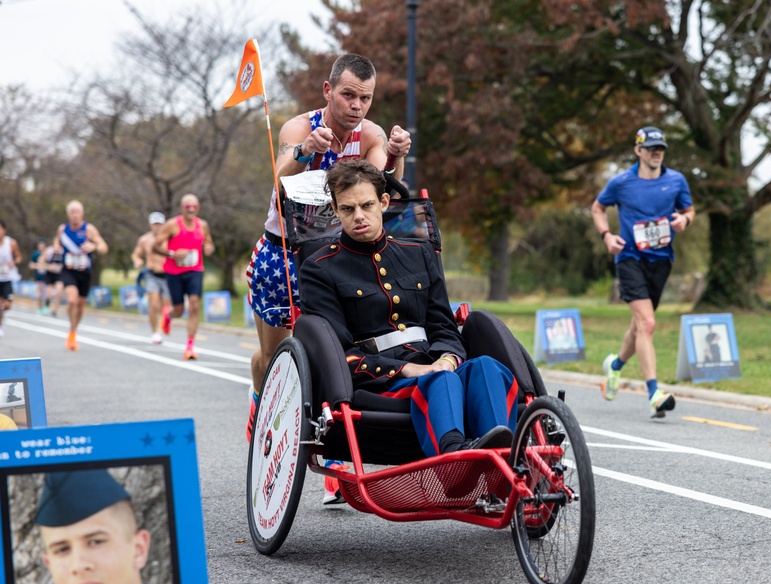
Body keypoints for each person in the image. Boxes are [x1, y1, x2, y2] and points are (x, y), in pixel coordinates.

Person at [299, 160, 517, 463]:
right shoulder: (320, 268)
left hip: (433, 364)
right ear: (335, 210)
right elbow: (336, 353)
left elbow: (443, 326)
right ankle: (455, 458)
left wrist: (448, 358)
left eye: (367, 205)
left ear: (384, 202)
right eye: (348, 209)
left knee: (485, 367)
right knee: (438, 381)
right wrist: (409, 370)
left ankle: (504, 455)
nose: (359, 216)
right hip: (379, 383)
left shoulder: (419, 254)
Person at [245, 53, 411, 438]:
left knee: (337, 354)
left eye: (365, 98)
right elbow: (278, 176)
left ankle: (333, 441)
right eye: (348, 95)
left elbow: (382, 185)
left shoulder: (371, 135)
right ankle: (259, 397)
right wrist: (304, 150)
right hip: (281, 254)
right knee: (272, 357)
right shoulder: (299, 126)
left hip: (334, 256)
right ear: (328, 91)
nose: (356, 105)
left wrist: (397, 157)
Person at [592, 126, 695, 418]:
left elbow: (689, 211)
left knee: (639, 326)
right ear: (638, 151)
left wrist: (684, 221)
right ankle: (654, 393)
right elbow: (597, 208)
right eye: (651, 148)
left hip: (661, 260)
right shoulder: (621, 182)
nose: (656, 152)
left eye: (660, 147)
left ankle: (614, 366)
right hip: (629, 258)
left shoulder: (676, 180)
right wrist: (607, 236)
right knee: (647, 323)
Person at [34, 469, 176, 584]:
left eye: (96, 542)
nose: (78, 565)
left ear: (138, 550)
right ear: (49, 565)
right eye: (62, 549)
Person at [156, 194, 214, 360]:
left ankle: (190, 346)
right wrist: (173, 253)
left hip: (195, 270)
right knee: (180, 310)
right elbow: (155, 246)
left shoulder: (202, 225)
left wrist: (209, 247)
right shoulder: (172, 225)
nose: (191, 209)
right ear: (181, 208)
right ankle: (169, 315)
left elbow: (209, 242)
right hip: (174, 272)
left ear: (198, 208)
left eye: (194, 206)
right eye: (187, 206)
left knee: (194, 305)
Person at [55, 200, 108, 350]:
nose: (75, 215)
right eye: (72, 212)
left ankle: (73, 331)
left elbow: (104, 247)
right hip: (68, 270)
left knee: (80, 306)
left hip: (84, 271)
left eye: (77, 212)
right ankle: (71, 331)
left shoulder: (89, 229)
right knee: (72, 300)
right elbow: (57, 242)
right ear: (68, 214)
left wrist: (94, 246)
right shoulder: (62, 229)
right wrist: (57, 247)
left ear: (82, 213)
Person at [131, 212, 170, 344]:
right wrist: (137, 261)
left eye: (159, 224)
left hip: (168, 275)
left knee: (166, 307)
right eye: (155, 224)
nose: (157, 227)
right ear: (150, 224)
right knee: (153, 304)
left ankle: (164, 322)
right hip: (152, 275)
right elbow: (136, 254)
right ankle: (155, 332)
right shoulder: (145, 240)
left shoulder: (169, 239)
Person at [0, 221, 22, 338]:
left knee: (7, 305)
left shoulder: (11, 243)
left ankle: (3, 313)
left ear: (4, 230)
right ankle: (0, 325)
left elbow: (19, 257)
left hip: (8, 277)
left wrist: (14, 262)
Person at [42, 237, 65, 318]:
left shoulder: (63, 251)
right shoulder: (49, 251)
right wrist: (49, 266)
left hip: (59, 275)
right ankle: (46, 306)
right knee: (49, 292)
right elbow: (41, 261)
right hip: (50, 274)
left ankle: (55, 310)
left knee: (59, 291)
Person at [29, 237, 49, 315]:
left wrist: (46, 266)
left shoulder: (48, 253)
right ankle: (39, 307)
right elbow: (30, 265)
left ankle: (46, 306)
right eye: (40, 245)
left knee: (47, 292)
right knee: (40, 293)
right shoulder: (35, 254)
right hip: (39, 276)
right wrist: (38, 265)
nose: (41, 246)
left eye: (43, 245)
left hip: (47, 276)